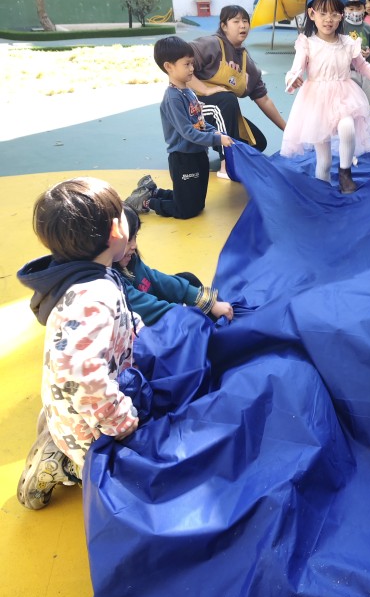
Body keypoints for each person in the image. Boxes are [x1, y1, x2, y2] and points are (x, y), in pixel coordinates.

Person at [16, 177, 141, 510]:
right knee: (127, 473)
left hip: (72, 405)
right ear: (116, 231)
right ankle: (63, 464)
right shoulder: (95, 297)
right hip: (88, 428)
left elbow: (110, 322)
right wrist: (121, 420)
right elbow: (82, 373)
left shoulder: (83, 273)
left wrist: (135, 328)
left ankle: (57, 434)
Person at [281, 0, 370, 194]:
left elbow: (361, 65)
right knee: (323, 159)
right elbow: (295, 70)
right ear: (312, 14)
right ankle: (322, 187)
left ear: (342, 15)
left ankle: (345, 173)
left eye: (334, 14)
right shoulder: (307, 43)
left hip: (344, 95)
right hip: (316, 100)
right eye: (323, 13)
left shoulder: (348, 43)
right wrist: (293, 79)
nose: (328, 19)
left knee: (347, 127)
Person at [125, 36, 233, 220]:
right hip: (183, 158)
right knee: (186, 211)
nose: (192, 68)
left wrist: (213, 131)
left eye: (192, 63)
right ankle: (146, 202)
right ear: (169, 67)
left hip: (198, 154)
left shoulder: (188, 91)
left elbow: (199, 121)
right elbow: (188, 132)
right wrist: (216, 139)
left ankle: (154, 191)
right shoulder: (173, 98)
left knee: (196, 203)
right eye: (187, 64)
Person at [190, 4, 286, 178]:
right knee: (227, 99)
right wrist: (205, 89)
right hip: (192, 112)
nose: (242, 25)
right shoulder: (210, 44)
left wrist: (287, 129)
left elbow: (264, 100)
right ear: (224, 26)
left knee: (257, 143)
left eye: (245, 21)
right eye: (236, 21)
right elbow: (177, 62)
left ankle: (222, 147)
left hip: (220, 112)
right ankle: (226, 165)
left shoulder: (247, 63)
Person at [118, 204, 234, 325]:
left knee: (188, 279)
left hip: (155, 306)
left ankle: (217, 314)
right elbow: (149, 308)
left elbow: (156, 279)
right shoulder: (115, 285)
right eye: (128, 240)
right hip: (145, 325)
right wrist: (189, 314)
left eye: (135, 237)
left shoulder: (131, 259)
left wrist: (207, 302)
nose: (134, 245)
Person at [341, 0, 370, 112]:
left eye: (358, 8)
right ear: (344, 9)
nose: (355, 12)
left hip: (365, 72)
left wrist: (369, 53)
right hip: (347, 71)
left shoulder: (368, 28)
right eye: (351, 9)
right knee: (349, 104)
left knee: (367, 104)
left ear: (364, 8)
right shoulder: (341, 26)